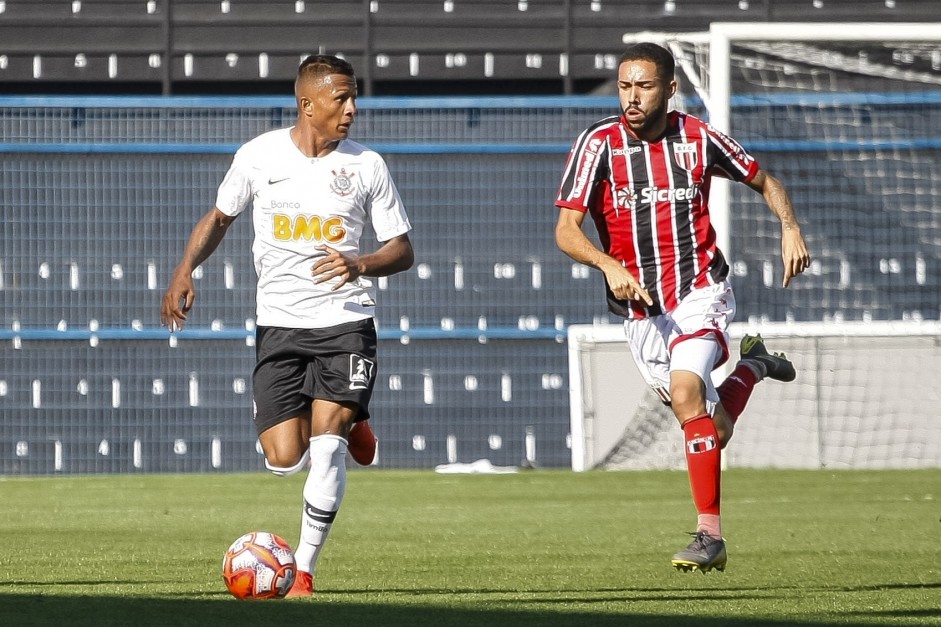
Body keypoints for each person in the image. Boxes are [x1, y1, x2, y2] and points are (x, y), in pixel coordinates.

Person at [160, 54, 414, 596]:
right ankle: (355, 421)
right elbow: (220, 216)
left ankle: (303, 568)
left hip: (346, 321)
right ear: (307, 104)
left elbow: (402, 250)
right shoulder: (258, 156)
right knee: (284, 458)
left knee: (326, 448)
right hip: (279, 326)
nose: (351, 109)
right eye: (340, 98)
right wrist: (186, 268)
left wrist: (360, 263)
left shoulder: (367, 165)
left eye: (353, 97)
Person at [554, 42, 810, 573]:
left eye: (643, 86)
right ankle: (755, 367)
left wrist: (789, 227)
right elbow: (565, 231)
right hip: (643, 312)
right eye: (624, 85)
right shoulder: (597, 144)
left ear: (669, 89)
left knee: (690, 391)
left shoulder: (696, 138)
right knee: (709, 431)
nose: (631, 97)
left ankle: (708, 535)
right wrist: (608, 265)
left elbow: (765, 180)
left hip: (699, 291)